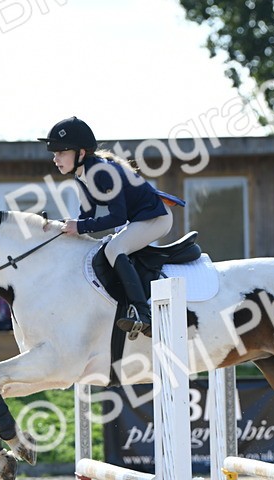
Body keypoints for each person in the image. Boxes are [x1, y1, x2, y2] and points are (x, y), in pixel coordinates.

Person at [39, 116, 176, 335]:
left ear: (81, 153)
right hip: (139, 218)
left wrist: (79, 227)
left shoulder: (102, 173)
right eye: (54, 153)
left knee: (114, 249)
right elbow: (86, 215)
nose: (55, 159)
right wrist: (62, 228)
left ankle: (143, 314)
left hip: (156, 218)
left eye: (61, 152)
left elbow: (117, 218)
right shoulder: (81, 176)